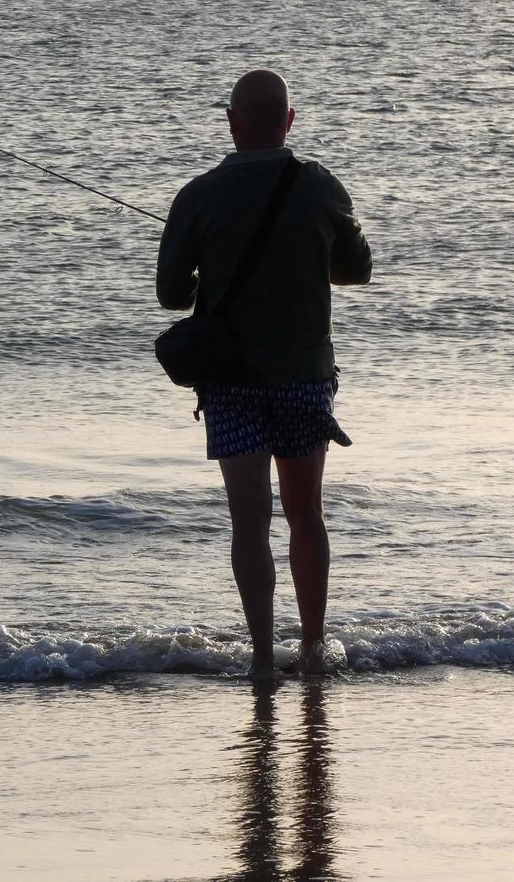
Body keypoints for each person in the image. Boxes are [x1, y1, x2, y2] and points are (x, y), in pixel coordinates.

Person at [155, 69, 373, 680]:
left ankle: (259, 659)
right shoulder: (321, 187)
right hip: (303, 375)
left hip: (229, 380)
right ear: (290, 121)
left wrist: (209, 281)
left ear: (232, 124)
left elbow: (171, 294)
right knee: (307, 515)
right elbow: (358, 270)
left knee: (248, 522)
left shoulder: (197, 195)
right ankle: (311, 648)